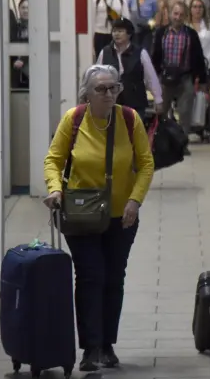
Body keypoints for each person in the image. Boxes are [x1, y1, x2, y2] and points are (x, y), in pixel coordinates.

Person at [42, 64, 155, 372]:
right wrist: (55, 190)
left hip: (122, 216)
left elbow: (145, 164)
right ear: (86, 94)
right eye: (101, 89)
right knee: (91, 276)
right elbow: (54, 160)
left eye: (113, 88)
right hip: (82, 214)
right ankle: (91, 348)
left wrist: (135, 200)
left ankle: (108, 345)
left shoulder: (130, 120)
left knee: (113, 278)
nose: (109, 94)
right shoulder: (74, 120)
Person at [150, 0, 209, 139]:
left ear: (185, 16)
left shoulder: (191, 34)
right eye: (175, 14)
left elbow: (199, 58)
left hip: (185, 77)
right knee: (161, 110)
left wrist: (202, 80)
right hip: (165, 78)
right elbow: (155, 57)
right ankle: (161, 141)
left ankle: (182, 142)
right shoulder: (161, 34)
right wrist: (153, 78)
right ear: (170, 14)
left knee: (185, 111)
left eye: (181, 15)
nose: (177, 17)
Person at [96, 18, 164, 121]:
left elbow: (151, 78)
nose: (116, 34)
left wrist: (158, 99)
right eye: (114, 31)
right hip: (111, 103)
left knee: (133, 135)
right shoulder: (105, 52)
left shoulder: (140, 53)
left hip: (135, 103)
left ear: (129, 34)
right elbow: (97, 77)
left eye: (120, 31)